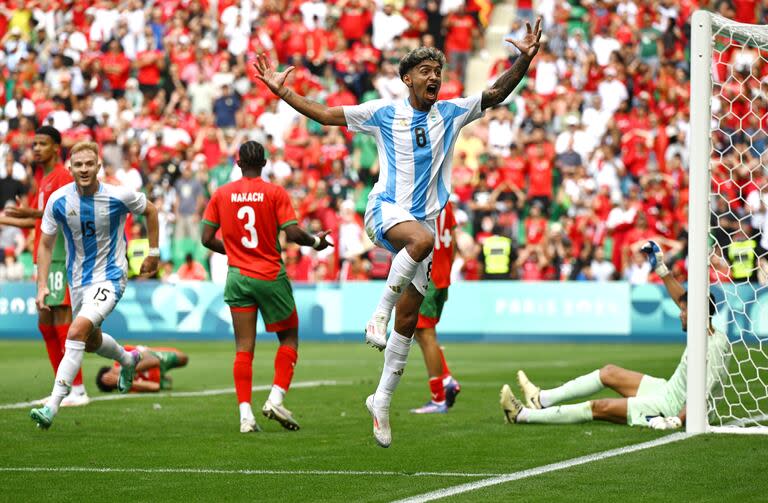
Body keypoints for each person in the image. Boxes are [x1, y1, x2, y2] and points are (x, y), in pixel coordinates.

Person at [253, 16, 543, 448]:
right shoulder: (383, 113)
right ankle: (377, 314)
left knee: (410, 320)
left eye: (438, 71)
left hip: (422, 223)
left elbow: (496, 92)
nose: (434, 77)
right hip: (385, 211)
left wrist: (523, 60)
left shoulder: (452, 112)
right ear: (406, 78)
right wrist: (283, 92)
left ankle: (382, 401)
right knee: (419, 249)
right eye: (425, 71)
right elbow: (328, 114)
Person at [500, 241, 732, 430]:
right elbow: (684, 300)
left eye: (684, 311)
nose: (680, 314)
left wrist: (678, 420)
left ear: (698, 313)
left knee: (598, 407)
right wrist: (662, 269)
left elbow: (703, 392)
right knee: (609, 372)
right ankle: (542, 399)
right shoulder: (703, 329)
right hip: (668, 389)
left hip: (672, 407)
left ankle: (523, 415)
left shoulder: (713, 346)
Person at [201, 141, 332, 434]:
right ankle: (275, 398)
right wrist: (316, 242)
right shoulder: (274, 192)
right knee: (289, 339)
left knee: (243, 349)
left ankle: (245, 417)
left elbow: (206, 238)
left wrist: (235, 251)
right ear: (264, 163)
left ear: (237, 164)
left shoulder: (221, 194)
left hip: (238, 277)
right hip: (270, 276)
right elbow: (293, 232)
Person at [29, 141, 160, 429]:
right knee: (90, 341)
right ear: (70, 168)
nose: (84, 169)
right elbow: (46, 245)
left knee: (75, 331)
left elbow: (150, 210)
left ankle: (52, 404)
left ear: (98, 166)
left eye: (89, 164)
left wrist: (154, 253)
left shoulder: (117, 195)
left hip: (111, 277)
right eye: (79, 165)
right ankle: (128, 359)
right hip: (78, 282)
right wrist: (41, 285)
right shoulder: (59, 201)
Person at [0, 126, 89, 407]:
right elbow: (40, 220)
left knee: (62, 321)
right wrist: (6, 219)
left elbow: (68, 211)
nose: (36, 148)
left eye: (43, 144)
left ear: (56, 147)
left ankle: (78, 389)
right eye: (35, 143)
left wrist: (32, 213)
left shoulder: (63, 176)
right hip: (45, 259)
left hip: (61, 257)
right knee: (45, 324)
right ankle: (60, 389)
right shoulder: (44, 179)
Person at [410, 202, 462, 414]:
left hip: (427, 275)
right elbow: (454, 240)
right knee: (420, 331)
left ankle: (438, 398)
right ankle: (447, 379)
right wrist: (447, 275)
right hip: (441, 275)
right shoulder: (445, 203)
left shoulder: (419, 200)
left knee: (425, 333)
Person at [96, 345, 189, 393]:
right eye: (113, 383)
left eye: (111, 377)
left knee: (183, 358)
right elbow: (155, 387)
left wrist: (124, 370)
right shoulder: (126, 387)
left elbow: (154, 361)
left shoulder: (123, 355)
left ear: (111, 369)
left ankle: (150, 349)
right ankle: (164, 378)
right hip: (157, 379)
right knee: (168, 385)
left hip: (154, 358)